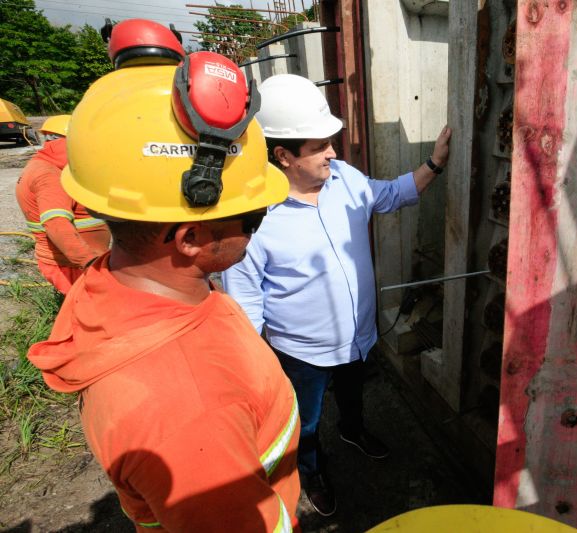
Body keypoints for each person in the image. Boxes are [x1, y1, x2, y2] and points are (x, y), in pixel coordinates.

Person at [27, 36, 300, 531]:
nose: (260, 227)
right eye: (254, 217)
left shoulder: (115, 285)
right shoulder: (190, 411)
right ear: (191, 237)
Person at [222, 73, 451, 517]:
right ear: (283, 156)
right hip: (301, 353)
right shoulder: (254, 219)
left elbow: (390, 194)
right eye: (320, 146)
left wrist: (435, 163)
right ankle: (310, 471)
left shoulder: (344, 178)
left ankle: (352, 428)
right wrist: (254, 372)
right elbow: (244, 306)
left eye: (332, 141)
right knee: (302, 424)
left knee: (353, 394)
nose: (333, 152)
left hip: (357, 338)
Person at [15, 114, 110, 293]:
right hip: (73, 265)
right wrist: (89, 263)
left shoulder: (44, 165)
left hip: (74, 262)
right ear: (69, 142)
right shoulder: (50, 176)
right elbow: (56, 224)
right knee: (92, 313)